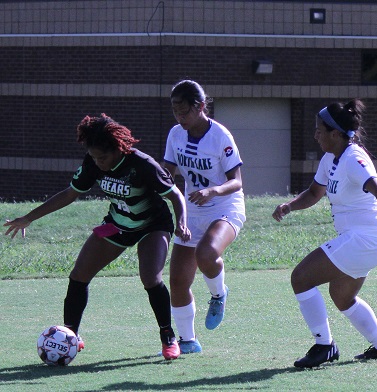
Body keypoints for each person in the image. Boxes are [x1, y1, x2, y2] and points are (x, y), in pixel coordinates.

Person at [3, 113, 190, 360]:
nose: (98, 162)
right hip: (117, 225)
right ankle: (70, 337)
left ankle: (168, 336)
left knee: (150, 277)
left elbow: (175, 195)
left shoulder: (142, 165)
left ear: (118, 149)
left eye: (103, 157)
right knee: (79, 275)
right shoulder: (93, 162)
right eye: (93, 157)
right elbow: (70, 194)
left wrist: (182, 224)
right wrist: (29, 217)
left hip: (152, 225)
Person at [272, 99, 377, 368]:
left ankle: (324, 346)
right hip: (360, 243)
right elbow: (314, 193)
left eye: (319, 130)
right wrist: (289, 206)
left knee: (300, 278)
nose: (315, 135)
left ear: (336, 134)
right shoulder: (329, 159)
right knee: (342, 297)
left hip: (364, 240)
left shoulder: (353, 159)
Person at [163, 79, 246, 355]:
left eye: (184, 111)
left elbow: (237, 181)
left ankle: (218, 294)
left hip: (225, 206)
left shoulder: (220, 136)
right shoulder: (176, 134)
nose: (179, 117)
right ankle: (187, 341)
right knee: (177, 281)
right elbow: (168, 173)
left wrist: (213, 190)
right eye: (175, 111)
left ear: (200, 107)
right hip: (192, 209)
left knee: (206, 252)